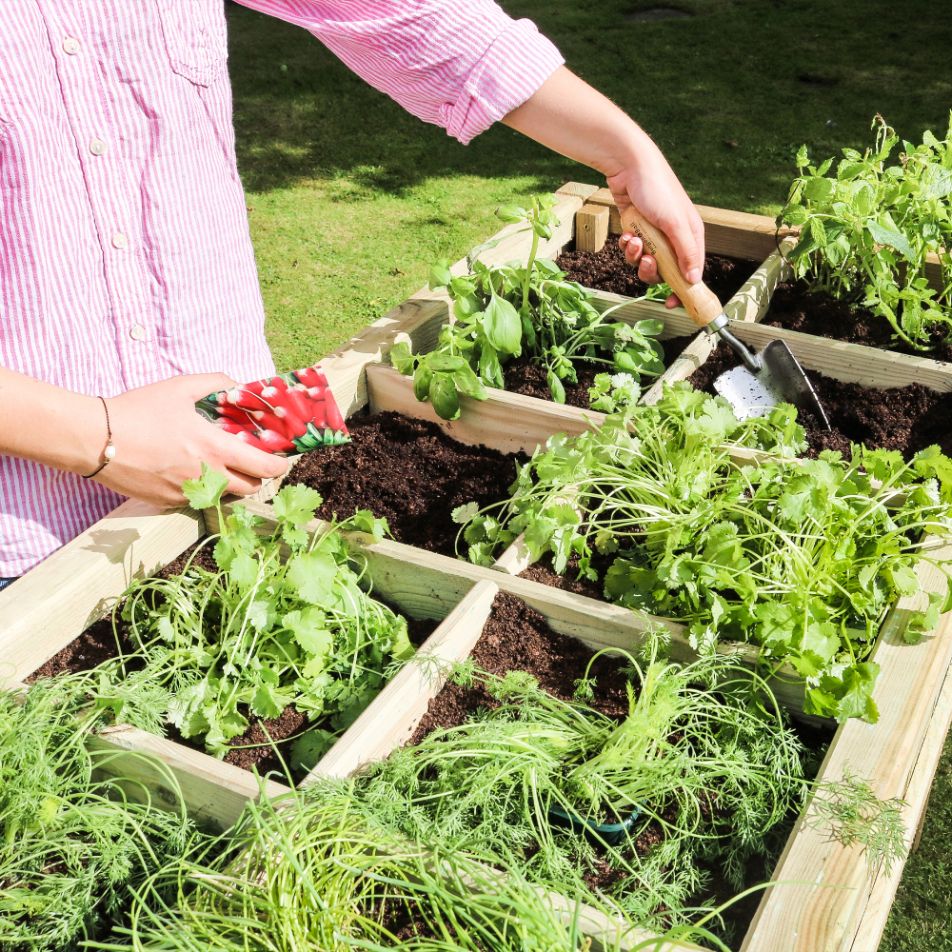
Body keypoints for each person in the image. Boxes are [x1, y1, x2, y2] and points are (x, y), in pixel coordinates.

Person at [0, 0, 704, 585]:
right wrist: (105, 437)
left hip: (246, 428)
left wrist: (625, 152)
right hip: (25, 534)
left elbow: (407, 14)